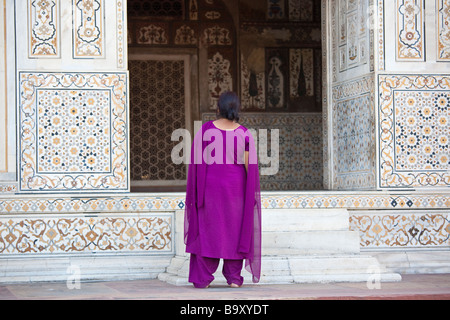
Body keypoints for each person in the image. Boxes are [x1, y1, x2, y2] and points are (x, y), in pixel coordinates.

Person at [184, 91, 262, 288]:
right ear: (237, 109)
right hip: (235, 189)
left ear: (218, 108)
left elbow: (196, 163)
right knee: (234, 231)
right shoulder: (244, 133)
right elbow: (249, 167)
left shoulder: (205, 131)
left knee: (207, 229)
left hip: (209, 188)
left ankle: (203, 278)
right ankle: (234, 278)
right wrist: (250, 193)